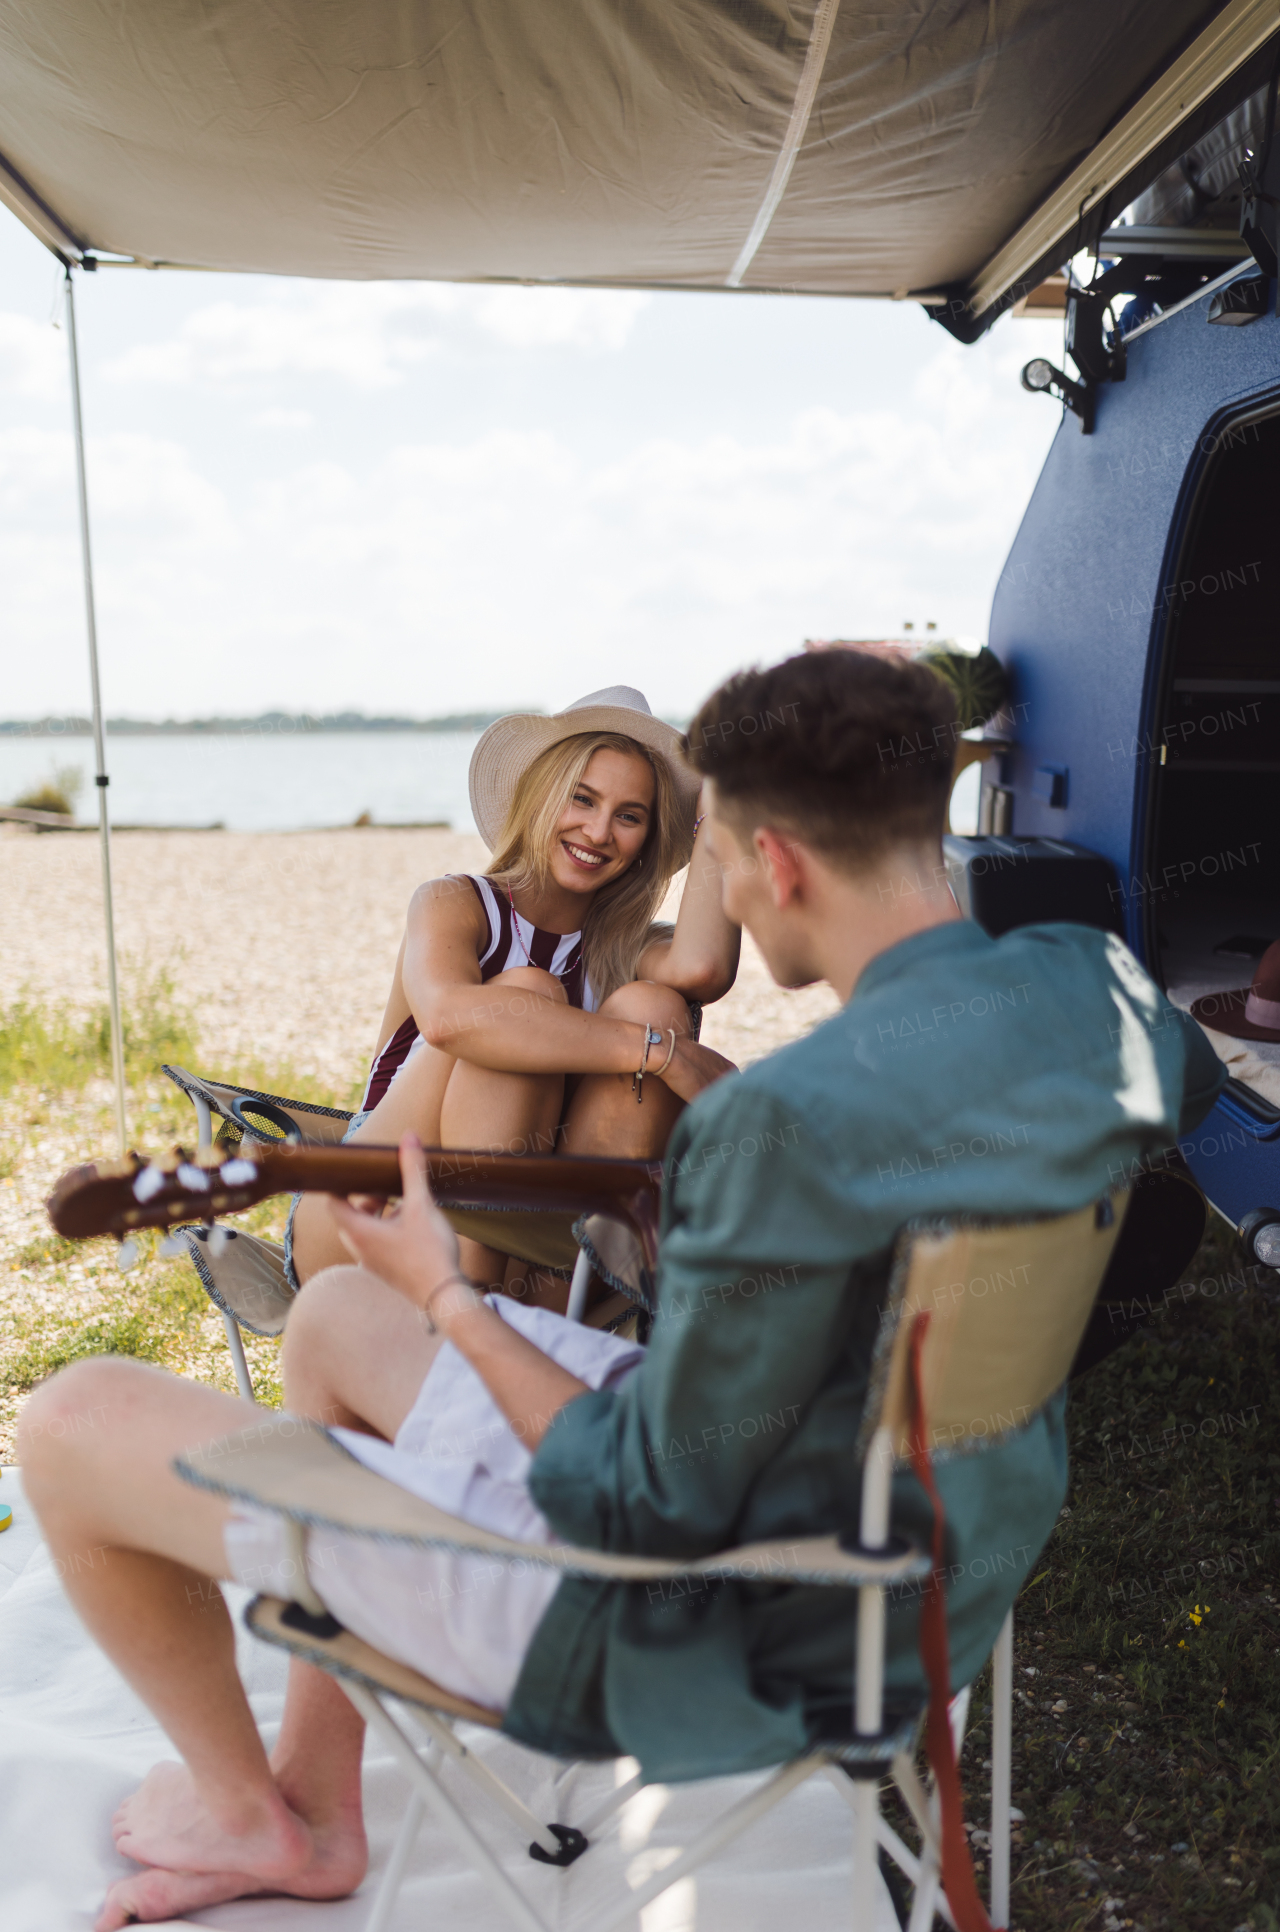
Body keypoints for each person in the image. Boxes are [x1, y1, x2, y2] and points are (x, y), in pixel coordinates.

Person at [19, 649, 1226, 1929]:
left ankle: (260, 1816)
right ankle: (320, 1787)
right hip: (927, 1547)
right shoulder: (1096, 1001)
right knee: (328, 1315)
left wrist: (452, 1300)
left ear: (778, 865)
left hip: (718, 1621)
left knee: (73, 1418)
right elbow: (1177, 1105)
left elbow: (637, 1493)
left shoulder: (780, 1131)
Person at [287, 684, 741, 1306]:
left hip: (537, 1262)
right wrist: (660, 1053)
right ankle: (475, 1307)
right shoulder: (455, 902)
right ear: (544, 796)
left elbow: (705, 968)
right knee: (524, 995)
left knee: (654, 1004)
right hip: (373, 1214)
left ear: (649, 839)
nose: (599, 831)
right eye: (582, 799)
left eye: (630, 816)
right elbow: (447, 1019)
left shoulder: (626, 946)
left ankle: (536, 1305)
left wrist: (721, 812)